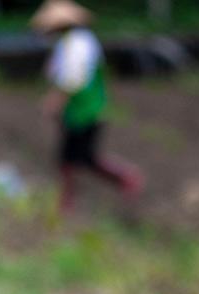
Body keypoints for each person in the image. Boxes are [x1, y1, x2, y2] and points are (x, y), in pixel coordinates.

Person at [32, 1, 144, 217]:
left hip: (86, 109)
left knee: (80, 158)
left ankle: (123, 179)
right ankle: (67, 201)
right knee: (73, 158)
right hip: (79, 109)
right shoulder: (69, 43)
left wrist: (55, 101)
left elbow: (72, 79)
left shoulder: (78, 44)